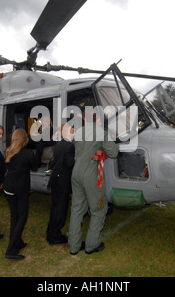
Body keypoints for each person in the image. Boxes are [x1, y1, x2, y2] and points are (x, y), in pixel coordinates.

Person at [68, 108, 118, 255]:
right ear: (98, 120)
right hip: (91, 175)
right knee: (98, 209)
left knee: (77, 209)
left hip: (76, 173)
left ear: (84, 119)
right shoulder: (100, 132)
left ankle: (73, 245)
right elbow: (113, 152)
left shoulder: (78, 132)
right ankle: (92, 245)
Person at [3, 129, 38, 260]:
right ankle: (11, 250)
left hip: (8, 187)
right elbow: (35, 166)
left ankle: (17, 242)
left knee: (14, 216)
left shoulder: (9, 151)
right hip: (20, 189)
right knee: (22, 217)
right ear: (25, 140)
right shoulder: (27, 153)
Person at [46, 123, 75, 245]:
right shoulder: (69, 146)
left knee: (55, 207)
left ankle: (51, 233)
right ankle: (54, 236)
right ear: (70, 132)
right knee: (60, 209)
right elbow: (69, 163)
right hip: (62, 182)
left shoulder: (59, 144)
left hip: (55, 180)